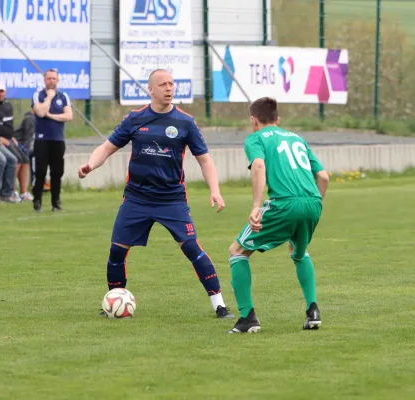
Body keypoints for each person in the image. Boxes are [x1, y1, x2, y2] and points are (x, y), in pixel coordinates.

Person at [78, 69, 235, 319]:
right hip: (136, 198)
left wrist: (215, 191)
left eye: (172, 83)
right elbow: (107, 147)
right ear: (150, 89)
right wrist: (90, 165)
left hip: (171, 199)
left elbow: (205, 160)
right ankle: (115, 301)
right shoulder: (135, 119)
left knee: (192, 248)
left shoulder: (185, 122)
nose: (169, 88)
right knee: (117, 251)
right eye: (163, 84)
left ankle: (219, 304)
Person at [227, 97, 330, 334]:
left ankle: (247, 317)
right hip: (313, 202)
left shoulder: (255, 138)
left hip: (284, 204)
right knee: (298, 251)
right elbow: (323, 176)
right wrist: (315, 204)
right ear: (278, 119)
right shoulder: (297, 139)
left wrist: (255, 205)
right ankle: (313, 311)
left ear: (253, 120)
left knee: (237, 251)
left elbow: (259, 166)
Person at [32, 69, 73, 212]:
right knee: (41, 172)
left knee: (57, 172)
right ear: (44, 80)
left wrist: (50, 115)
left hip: (58, 139)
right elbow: (40, 112)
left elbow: (68, 116)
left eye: (54, 78)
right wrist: (49, 98)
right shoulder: (38, 95)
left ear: (57, 80)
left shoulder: (64, 96)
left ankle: (56, 202)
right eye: (49, 78)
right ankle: (37, 201)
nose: (51, 81)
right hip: (42, 140)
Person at [0, 82, 31, 201]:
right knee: (16, 158)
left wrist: (11, 136)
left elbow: (8, 125)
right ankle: (10, 191)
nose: (0, 94)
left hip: (9, 138)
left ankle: (24, 192)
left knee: (25, 158)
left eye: (2, 91)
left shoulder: (8, 105)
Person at [13, 108, 36, 200]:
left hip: (22, 145)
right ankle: (12, 191)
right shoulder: (30, 119)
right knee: (19, 158)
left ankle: (24, 192)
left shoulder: (38, 119)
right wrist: (25, 150)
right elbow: (27, 137)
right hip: (16, 144)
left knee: (25, 160)